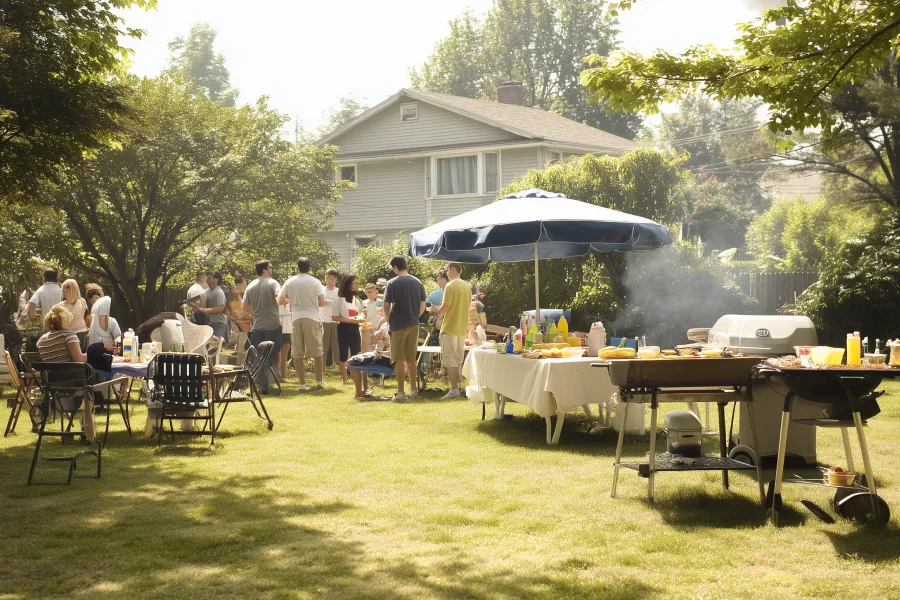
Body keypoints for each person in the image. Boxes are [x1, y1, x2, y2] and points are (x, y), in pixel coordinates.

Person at [36, 305, 96, 442]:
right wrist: (92, 354)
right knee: (94, 376)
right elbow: (79, 359)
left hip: (52, 383)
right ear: (66, 320)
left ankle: (71, 425)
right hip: (73, 380)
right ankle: (86, 426)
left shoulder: (41, 341)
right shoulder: (68, 335)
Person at [278, 257, 325, 391]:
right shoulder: (315, 281)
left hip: (296, 317)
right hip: (312, 317)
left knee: (297, 351)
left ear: (297, 267)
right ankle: (318, 382)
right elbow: (322, 302)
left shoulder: (290, 281)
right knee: (317, 351)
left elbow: (281, 300)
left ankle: (302, 384)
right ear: (309, 267)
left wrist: (290, 301)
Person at [383, 256, 426, 401]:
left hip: (398, 324)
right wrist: (415, 316)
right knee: (411, 358)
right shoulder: (417, 282)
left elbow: (386, 305)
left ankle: (400, 392)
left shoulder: (392, 283)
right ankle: (413, 390)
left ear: (395, 267)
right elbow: (423, 304)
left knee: (399, 359)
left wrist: (388, 320)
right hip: (413, 323)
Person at [243, 260, 283, 394]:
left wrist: (256, 314)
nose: (272, 269)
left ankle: (260, 384)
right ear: (265, 269)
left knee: (260, 356)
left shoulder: (250, 285)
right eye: (271, 267)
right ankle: (266, 385)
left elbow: (246, 308)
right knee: (269, 355)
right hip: (272, 324)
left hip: (258, 325)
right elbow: (278, 296)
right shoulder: (273, 283)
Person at [437, 262, 472, 399]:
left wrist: (437, 314)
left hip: (450, 326)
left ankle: (453, 389)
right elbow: (467, 305)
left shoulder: (450, 285)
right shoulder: (467, 285)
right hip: (462, 326)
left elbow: (446, 306)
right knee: (458, 359)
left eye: (446, 270)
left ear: (453, 269)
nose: (446, 273)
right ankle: (458, 388)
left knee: (448, 358)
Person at [332, 274, 363, 385]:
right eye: (353, 283)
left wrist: (361, 319)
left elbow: (360, 314)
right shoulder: (339, 299)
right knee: (343, 354)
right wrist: (350, 320)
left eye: (357, 283)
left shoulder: (357, 299)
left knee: (357, 353)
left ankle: (357, 378)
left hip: (355, 328)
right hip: (343, 328)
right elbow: (334, 317)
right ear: (347, 283)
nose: (356, 285)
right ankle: (344, 379)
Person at [195, 272, 227, 339]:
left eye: (209, 278)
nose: (207, 280)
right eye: (207, 278)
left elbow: (220, 308)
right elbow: (202, 307)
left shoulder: (219, 292)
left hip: (219, 323)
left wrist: (206, 310)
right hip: (209, 323)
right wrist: (194, 304)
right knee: (210, 346)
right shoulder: (206, 292)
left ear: (216, 280)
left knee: (216, 345)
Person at [58, 279, 89, 348]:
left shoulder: (82, 301)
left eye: (67, 287)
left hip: (82, 333)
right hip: (68, 335)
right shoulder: (60, 306)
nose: (64, 289)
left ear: (74, 288)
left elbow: (87, 316)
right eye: (63, 287)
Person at [321, 268, 340, 368]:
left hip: (336, 320)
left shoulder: (339, 291)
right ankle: (322, 366)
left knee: (336, 345)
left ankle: (337, 365)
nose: (330, 279)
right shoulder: (321, 289)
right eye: (327, 277)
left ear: (336, 279)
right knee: (324, 346)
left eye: (332, 277)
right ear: (325, 278)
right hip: (323, 320)